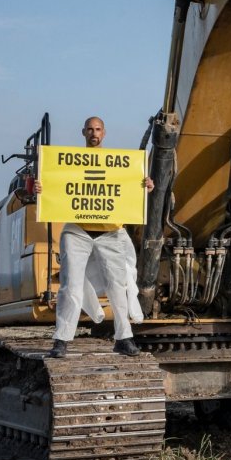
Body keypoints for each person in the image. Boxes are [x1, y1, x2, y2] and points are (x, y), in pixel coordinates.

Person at [33, 116, 153, 358]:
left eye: (97, 129)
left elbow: (130, 189)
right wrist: (40, 188)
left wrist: (145, 186)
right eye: (89, 129)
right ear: (83, 132)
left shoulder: (121, 164)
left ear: (104, 133)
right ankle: (61, 340)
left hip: (111, 232)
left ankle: (124, 338)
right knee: (71, 286)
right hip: (77, 230)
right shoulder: (67, 164)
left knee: (117, 287)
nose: (93, 133)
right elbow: (57, 186)